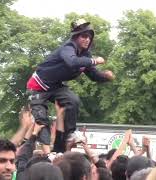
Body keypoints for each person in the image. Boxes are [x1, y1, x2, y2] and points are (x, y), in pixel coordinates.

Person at [26, 18, 115, 153]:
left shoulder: (85, 54)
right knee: (42, 121)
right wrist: (94, 61)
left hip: (55, 86)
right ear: (76, 37)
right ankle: (46, 152)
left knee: (72, 101)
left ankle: (65, 142)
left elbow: (93, 75)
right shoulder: (67, 48)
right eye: (84, 36)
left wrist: (105, 76)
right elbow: (72, 62)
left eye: (89, 37)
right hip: (37, 87)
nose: (87, 40)